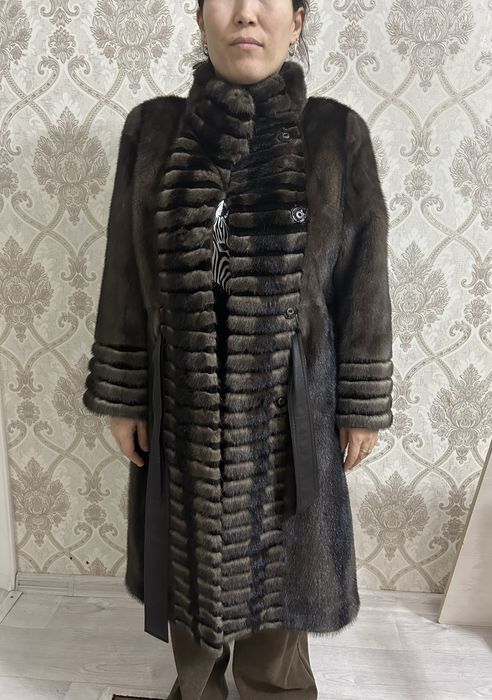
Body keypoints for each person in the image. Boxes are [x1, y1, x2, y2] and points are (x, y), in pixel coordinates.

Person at [82, 0, 394, 697]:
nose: (246, 14)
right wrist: (124, 394)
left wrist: (361, 403)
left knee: (283, 575)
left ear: (297, 20)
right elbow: (124, 270)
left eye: (268, 0)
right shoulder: (152, 130)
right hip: (180, 400)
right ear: (199, 18)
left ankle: (274, 690)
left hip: (292, 407)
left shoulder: (334, 134)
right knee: (186, 566)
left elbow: (364, 279)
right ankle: (198, 691)